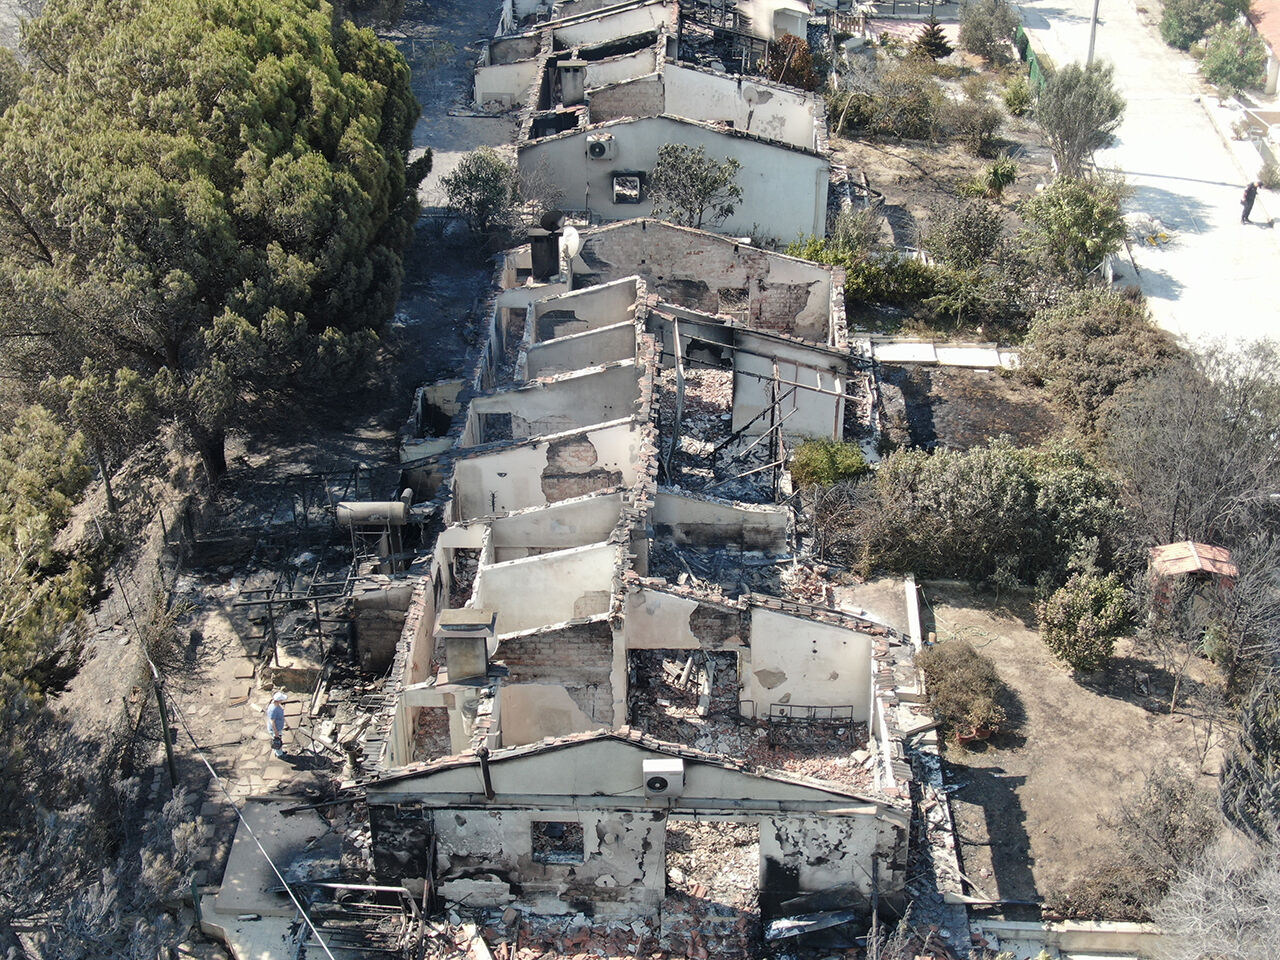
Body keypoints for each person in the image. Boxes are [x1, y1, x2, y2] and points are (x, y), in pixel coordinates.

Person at [267, 690, 288, 758]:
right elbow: (272, 721)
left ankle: (278, 752)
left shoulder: (274, 705)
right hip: (275, 729)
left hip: (277, 727)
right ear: (278, 700)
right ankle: (279, 754)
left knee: (277, 740)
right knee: (277, 742)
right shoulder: (274, 709)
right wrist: (276, 732)